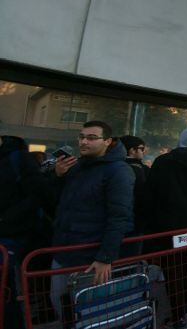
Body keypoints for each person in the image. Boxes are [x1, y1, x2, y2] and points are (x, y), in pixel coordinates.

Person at [49, 121, 135, 318]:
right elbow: (54, 201)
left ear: (107, 141)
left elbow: (119, 216)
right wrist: (58, 176)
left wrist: (105, 257)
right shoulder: (77, 167)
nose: (84, 142)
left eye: (91, 138)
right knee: (61, 307)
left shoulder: (119, 171)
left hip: (90, 258)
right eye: (81, 137)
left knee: (90, 313)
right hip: (63, 252)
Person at [144, 126, 187, 327]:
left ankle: (177, 311)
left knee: (172, 269)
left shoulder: (162, 162)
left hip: (165, 226)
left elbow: (150, 195)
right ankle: (186, 302)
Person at [0, 135, 51, 329]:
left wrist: (6, 218)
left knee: (10, 289)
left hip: (15, 236)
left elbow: (38, 195)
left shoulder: (19, 158)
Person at [119, 135, 153, 254]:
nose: (143, 152)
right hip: (135, 223)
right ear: (132, 150)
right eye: (142, 149)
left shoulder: (112, 168)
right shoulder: (140, 170)